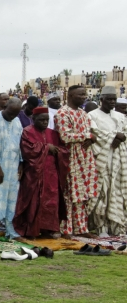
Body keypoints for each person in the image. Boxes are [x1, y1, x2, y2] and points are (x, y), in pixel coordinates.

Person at [13, 108, 69, 238]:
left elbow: (64, 151)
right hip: (34, 173)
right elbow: (27, 150)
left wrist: (58, 151)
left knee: (52, 201)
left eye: (46, 120)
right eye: (41, 120)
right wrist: (46, 147)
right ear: (34, 119)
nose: (44, 122)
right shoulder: (27, 132)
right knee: (34, 201)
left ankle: (49, 229)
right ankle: (32, 230)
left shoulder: (53, 134)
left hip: (51, 173)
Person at [55, 85, 98, 238]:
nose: (84, 97)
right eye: (81, 95)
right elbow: (65, 136)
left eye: (85, 94)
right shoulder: (62, 113)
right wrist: (88, 136)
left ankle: (82, 228)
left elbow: (91, 134)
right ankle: (66, 229)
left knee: (82, 195)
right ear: (71, 96)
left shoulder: (84, 114)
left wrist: (90, 138)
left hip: (85, 158)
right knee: (68, 194)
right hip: (70, 157)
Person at [87, 86, 127, 236]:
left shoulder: (119, 116)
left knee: (116, 193)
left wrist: (120, 137)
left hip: (118, 160)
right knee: (101, 193)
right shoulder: (92, 115)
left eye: (114, 100)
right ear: (101, 100)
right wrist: (114, 137)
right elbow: (94, 133)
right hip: (101, 159)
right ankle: (100, 227)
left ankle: (116, 227)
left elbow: (125, 132)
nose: (112, 102)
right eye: (109, 99)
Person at [0, 97, 24, 240]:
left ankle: (10, 231)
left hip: (13, 165)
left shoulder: (17, 121)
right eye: (10, 113)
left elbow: (19, 145)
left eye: (16, 114)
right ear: (4, 107)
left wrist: (21, 163)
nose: (12, 116)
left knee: (11, 198)